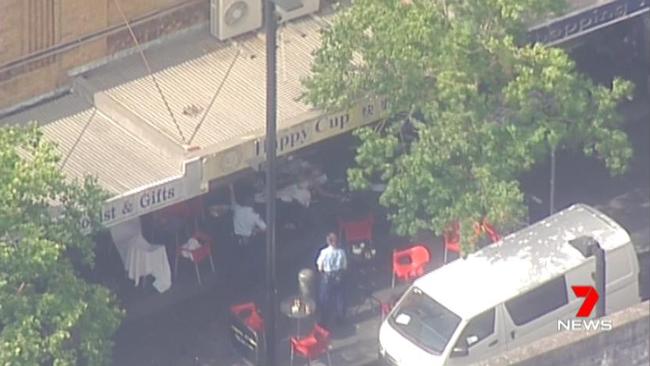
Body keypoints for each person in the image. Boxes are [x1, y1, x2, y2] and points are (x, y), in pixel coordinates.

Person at [316, 232, 348, 327]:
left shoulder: (324, 252)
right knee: (340, 297)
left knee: (324, 299)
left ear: (328, 241)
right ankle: (340, 318)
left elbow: (320, 266)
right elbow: (344, 266)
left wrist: (322, 272)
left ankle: (324, 319)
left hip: (327, 277)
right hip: (338, 276)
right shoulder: (341, 252)